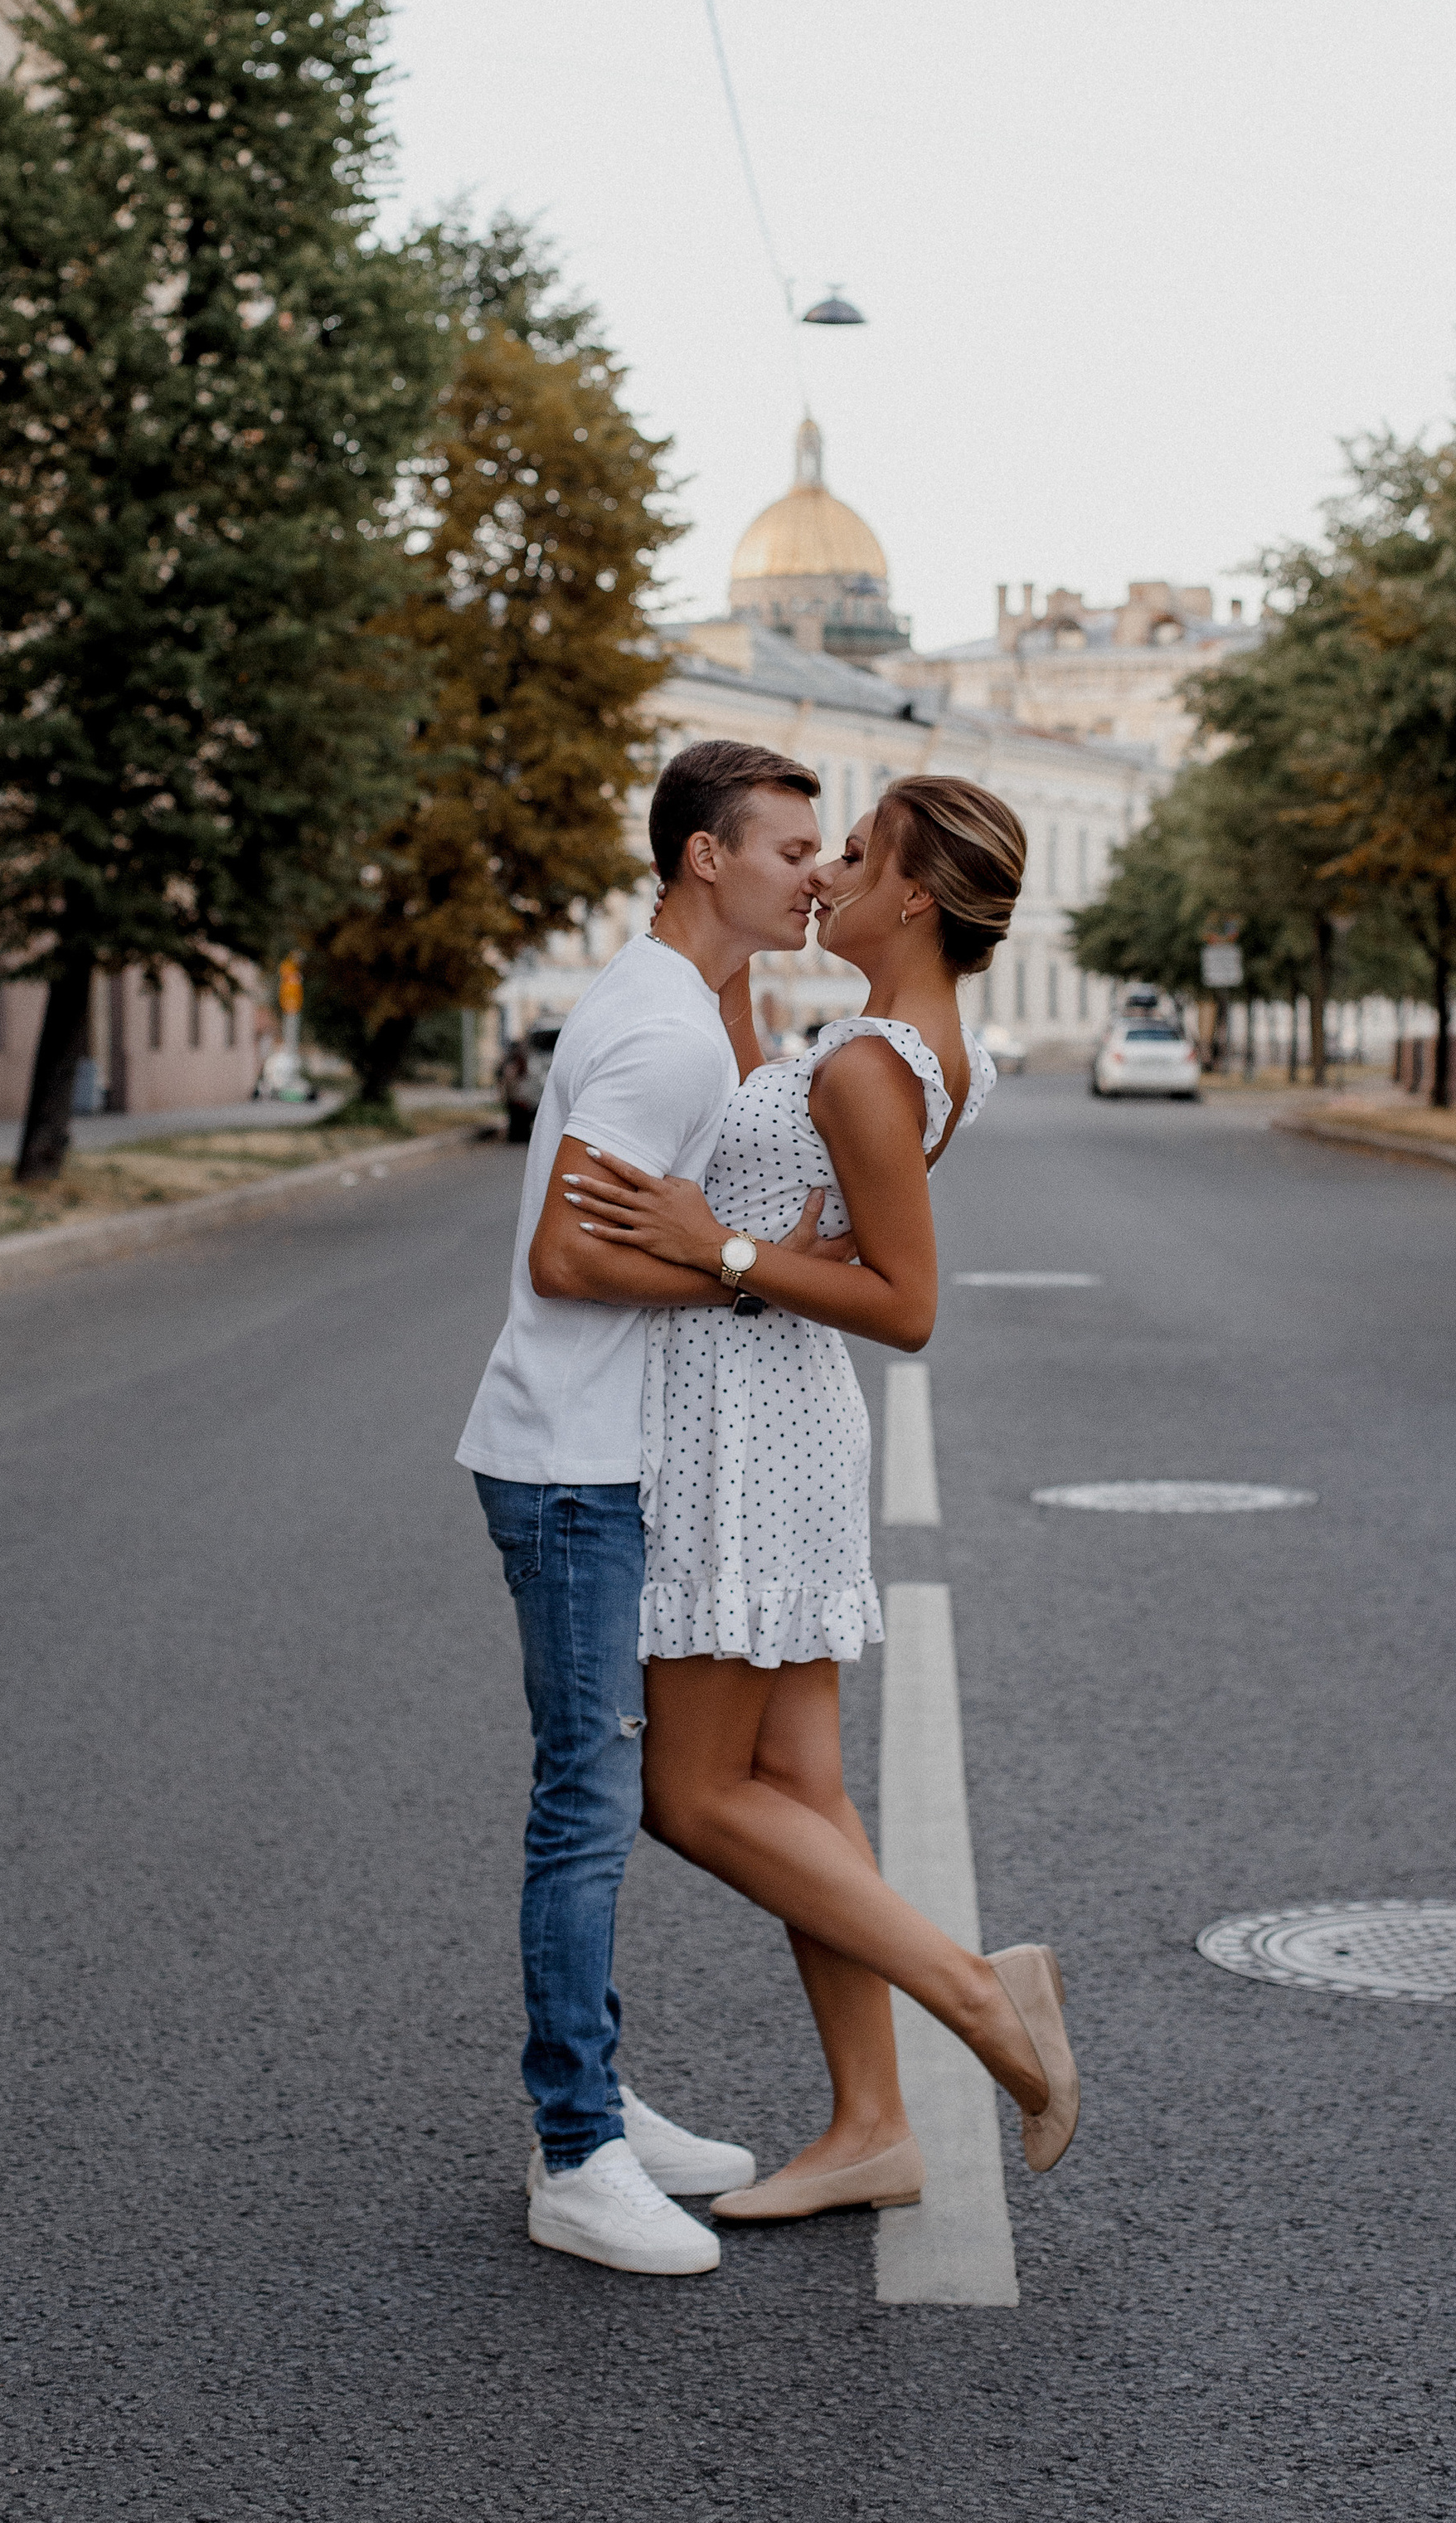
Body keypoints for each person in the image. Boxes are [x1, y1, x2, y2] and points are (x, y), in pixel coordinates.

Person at [558, 777, 1080, 2224]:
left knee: (691, 1793)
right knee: (800, 1795)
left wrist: (721, 1247)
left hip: (754, 1431)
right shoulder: (875, 1045)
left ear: (913, 897)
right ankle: (872, 2127)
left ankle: (981, 1997)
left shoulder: (868, 1067)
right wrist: (718, 924)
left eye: (853, 855)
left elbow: (906, 1305)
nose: (829, 873)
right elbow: (741, 1103)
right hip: (764, 1416)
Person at [459, 736, 853, 2278]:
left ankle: (594, 2090)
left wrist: (730, 1240)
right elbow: (567, 1261)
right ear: (707, 856)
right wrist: (741, 1279)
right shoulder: (665, 1036)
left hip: (592, 1455)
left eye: (824, 852)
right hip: (571, 1463)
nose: (815, 873)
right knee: (585, 1806)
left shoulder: (676, 1001)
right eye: (789, 850)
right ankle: (574, 2149)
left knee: (598, 1798)